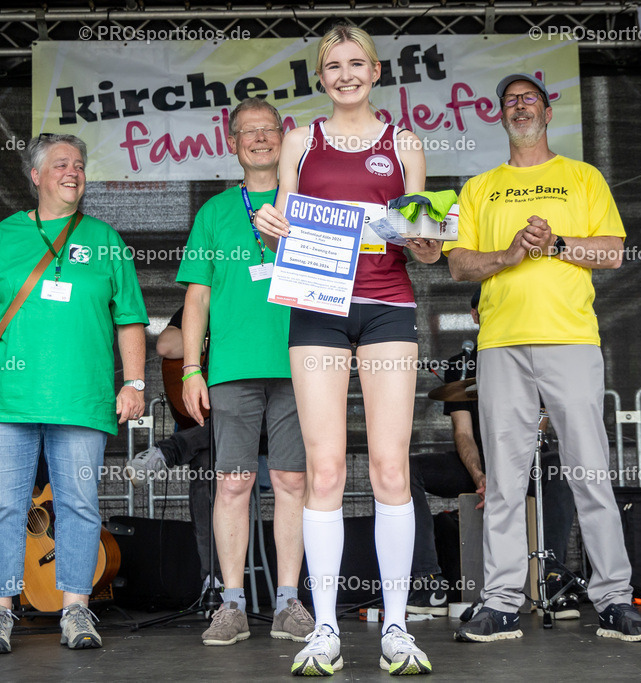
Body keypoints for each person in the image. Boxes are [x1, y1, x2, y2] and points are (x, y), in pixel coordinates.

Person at [443, 73, 641, 643]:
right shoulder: (479, 187)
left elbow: (613, 252)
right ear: (500, 115)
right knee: (507, 481)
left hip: (570, 340)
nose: (520, 107)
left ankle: (614, 599)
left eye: (529, 99)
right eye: (510, 100)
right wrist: (513, 252)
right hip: (500, 345)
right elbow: (459, 266)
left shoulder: (582, 178)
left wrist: (557, 245)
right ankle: (500, 603)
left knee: (590, 473)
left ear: (547, 110)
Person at [254, 23, 442, 677]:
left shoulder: (405, 142)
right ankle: (326, 627)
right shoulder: (300, 140)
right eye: (332, 65)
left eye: (356, 63)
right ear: (320, 76)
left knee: (391, 468)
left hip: (388, 305)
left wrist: (426, 238)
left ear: (377, 70)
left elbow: (426, 243)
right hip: (317, 310)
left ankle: (396, 626)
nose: (345, 74)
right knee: (325, 468)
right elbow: (279, 227)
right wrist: (269, 224)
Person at [0, 134, 148, 654]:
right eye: (61, 163)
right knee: (2, 507)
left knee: (81, 506)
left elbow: (130, 318)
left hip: (82, 403)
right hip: (7, 399)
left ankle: (76, 611)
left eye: (80, 164)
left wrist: (134, 382)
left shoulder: (106, 239)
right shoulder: (4, 237)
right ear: (35, 176)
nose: (72, 171)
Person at [178, 97, 315, 648]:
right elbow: (196, 299)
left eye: (269, 130)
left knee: (292, 481)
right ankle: (230, 603)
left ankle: (288, 602)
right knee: (232, 482)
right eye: (247, 132)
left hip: (304, 362)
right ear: (231, 143)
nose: (260, 138)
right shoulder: (214, 213)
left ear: (284, 139)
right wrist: (191, 368)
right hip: (232, 369)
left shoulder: (310, 202)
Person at [408, 289, 578, 620]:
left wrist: (506, 474)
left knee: (558, 467)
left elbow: (539, 425)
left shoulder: (537, 356)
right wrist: (481, 476)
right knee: (404, 469)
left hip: (524, 459)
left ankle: (552, 577)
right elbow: (463, 432)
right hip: (476, 461)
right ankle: (428, 581)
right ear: (476, 315)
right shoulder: (462, 364)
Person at [127, 305, 217, 591]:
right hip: (212, 430)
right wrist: (210, 342)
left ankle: (166, 452)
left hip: (267, 424)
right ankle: (212, 580)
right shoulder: (204, 302)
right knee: (204, 466)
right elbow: (165, 345)